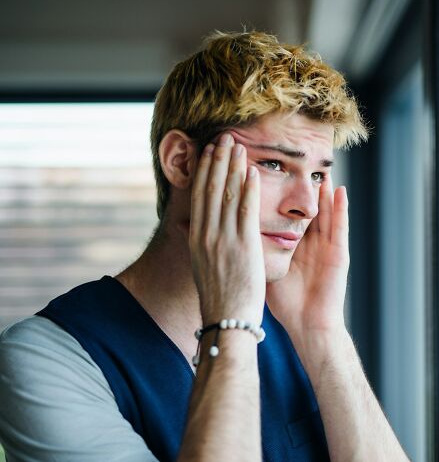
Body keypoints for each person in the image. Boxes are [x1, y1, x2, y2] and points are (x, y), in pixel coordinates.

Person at [0, 31, 408, 461]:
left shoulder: (298, 330)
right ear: (182, 162)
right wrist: (230, 325)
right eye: (274, 163)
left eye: (318, 175)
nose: (305, 207)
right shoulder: (47, 359)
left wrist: (324, 332)